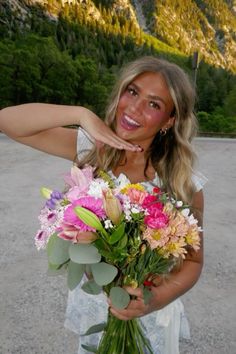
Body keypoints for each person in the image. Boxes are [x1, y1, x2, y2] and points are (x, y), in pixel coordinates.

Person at [0, 56, 206, 353]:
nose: (134, 108)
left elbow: (193, 262)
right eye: (132, 91)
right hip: (93, 310)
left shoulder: (181, 182)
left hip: (144, 319)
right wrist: (81, 114)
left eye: (154, 104)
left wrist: (153, 300)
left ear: (170, 120)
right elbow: (8, 121)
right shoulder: (93, 149)